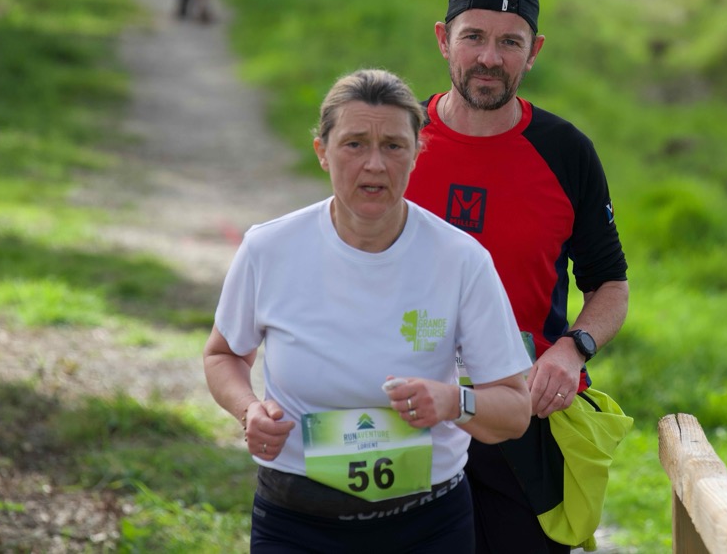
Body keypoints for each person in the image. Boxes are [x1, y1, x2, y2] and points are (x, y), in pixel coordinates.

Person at [203, 68, 533, 553]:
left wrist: (452, 402)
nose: (374, 164)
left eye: (393, 146)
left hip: (427, 526)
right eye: (354, 144)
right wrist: (248, 409)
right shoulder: (269, 248)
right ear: (322, 151)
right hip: (297, 521)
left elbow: (515, 410)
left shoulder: (461, 259)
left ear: (418, 153)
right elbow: (223, 354)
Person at [403, 0, 631, 554]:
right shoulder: (397, 141)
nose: (489, 58)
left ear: (534, 52)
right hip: (406, 411)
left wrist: (572, 348)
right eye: (473, 37)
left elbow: (609, 284)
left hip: (524, 417)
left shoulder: (565, 151)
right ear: (443, 39)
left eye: (510, 42)